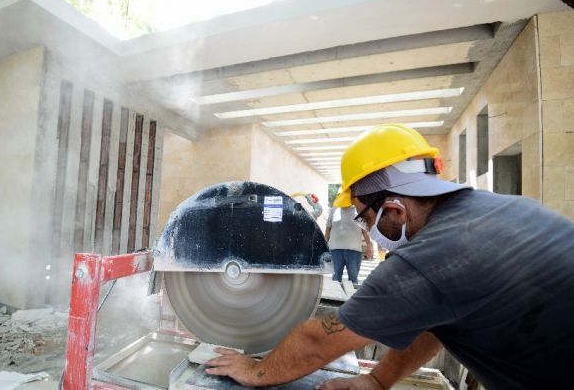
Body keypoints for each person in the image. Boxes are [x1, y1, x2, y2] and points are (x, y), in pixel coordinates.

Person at [206, 123, 574, 389]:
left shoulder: (430, 255)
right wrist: (379, 380)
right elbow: (436, 319)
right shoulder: (502, 208)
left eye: (366, 218)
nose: (368, 229)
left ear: (394, 209)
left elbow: (319, 340)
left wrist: (254, 372)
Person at [325, 203, 372, 286]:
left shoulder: (358, 210)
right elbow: (328, 229)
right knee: (336, 279)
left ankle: (353, 294)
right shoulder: (333, 210)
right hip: (335, 250)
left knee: (353, 279)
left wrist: (369, 246)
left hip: (354, 251)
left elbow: (365, 231)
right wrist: (324, 245)